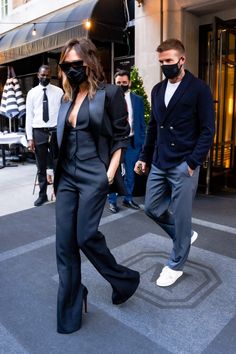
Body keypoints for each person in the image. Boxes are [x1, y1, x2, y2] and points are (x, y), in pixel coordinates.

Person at [54, 38, 140, 334]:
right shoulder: (66, 97)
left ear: (89, 62)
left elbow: (120, 137)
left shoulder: (110, 93)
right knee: (64, 244)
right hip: (66, 176)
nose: (71, 69)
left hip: (94, 174)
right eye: (66, 65)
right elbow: (62, 140)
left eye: (76, 64)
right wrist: (54, 176)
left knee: (85, 235)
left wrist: (109, 174)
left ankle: (124, 279)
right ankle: (73, 303)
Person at [135, 38, 215, 287]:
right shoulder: (158, 89)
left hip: (184, 163)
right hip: (160, 161)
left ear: (182, 60)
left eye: (169, 61)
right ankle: (184, 236)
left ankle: (175, 264)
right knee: (151, 208)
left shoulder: (199, 89)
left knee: (181, 216)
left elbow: (208, 129)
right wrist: (144, 157)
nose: (165, 66)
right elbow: (152, 127)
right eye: (161, 62)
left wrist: (192, 162)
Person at [108, 70, 146, 213]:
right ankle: (112, 201)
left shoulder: (138, 100)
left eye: (124, 82)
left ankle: (128, 199)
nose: (121, 85)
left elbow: (142, 123)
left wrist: (142, 142)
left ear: (129, 82)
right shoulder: (109, 99)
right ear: (114, 83)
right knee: (115, 172)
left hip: (132, 142)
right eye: (118, 83)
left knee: (130, 174)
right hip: (116, 142)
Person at [25, 65, 63, 206]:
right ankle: (42, 195)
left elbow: (62, 114)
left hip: (54, 131)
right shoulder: (32, 93)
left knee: (57, 164)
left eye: (47, 75)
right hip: (38, 132)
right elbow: (29, 116)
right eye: (43, 75)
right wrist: (30, 138)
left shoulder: (59, 92)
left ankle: (58, 193)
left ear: (50, 75)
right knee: (41, 166)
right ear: (38, 75)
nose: (45, 77)